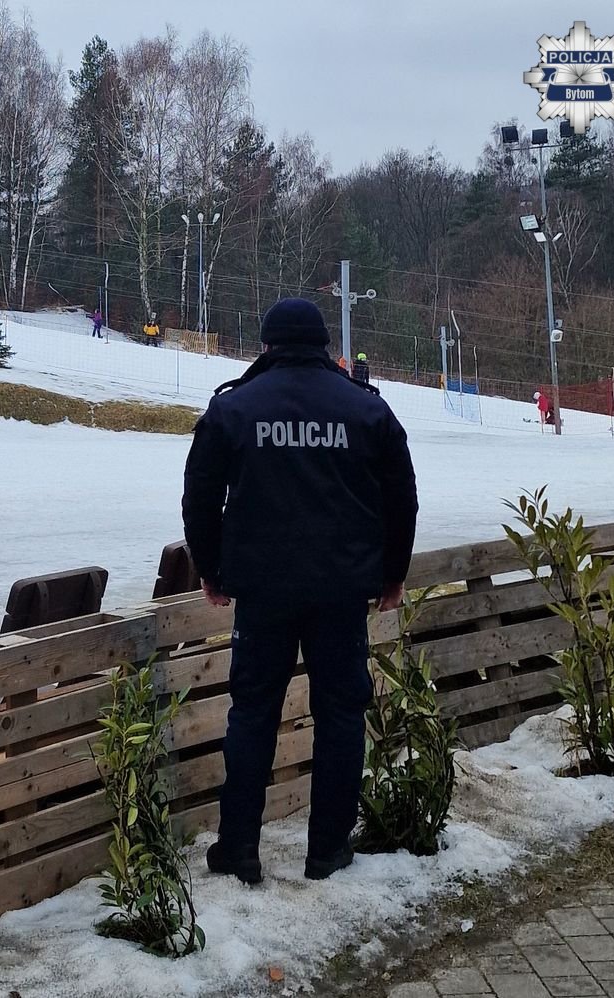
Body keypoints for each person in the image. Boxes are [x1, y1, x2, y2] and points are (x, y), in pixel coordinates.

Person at [182, 297, 418, 885]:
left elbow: (200, 497)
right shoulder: (365, 409)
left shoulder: (235, 407)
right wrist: (392, 575)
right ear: (322, 346)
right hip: (342, 590)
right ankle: (328, 849)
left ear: (267, 343)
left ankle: (238, 847)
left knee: (253, 713)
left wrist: (211, 570)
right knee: (340, 712)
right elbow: (402, 498)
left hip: (261, 592)